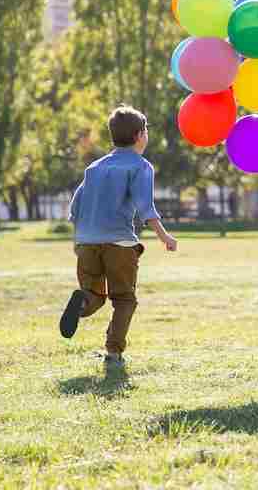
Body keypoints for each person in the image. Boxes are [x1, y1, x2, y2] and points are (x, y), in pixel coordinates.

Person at [59, 105, 178, 366]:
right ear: (139, 136)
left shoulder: (94, 168)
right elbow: (146, 207)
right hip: (119, 243)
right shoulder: (140, 166)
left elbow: (75, 208)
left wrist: (78, 242)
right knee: (124, 299)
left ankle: (82, 304)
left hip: (86, 242)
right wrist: (165, 237)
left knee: (94, 295)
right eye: (146, 130)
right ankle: (113, 353)